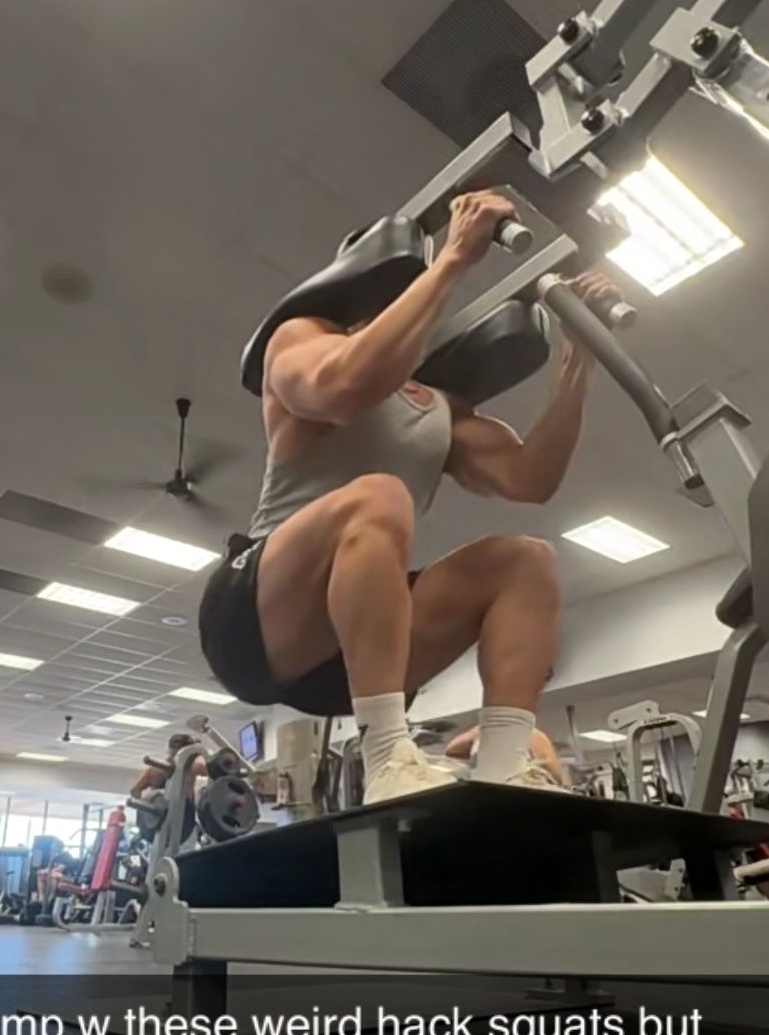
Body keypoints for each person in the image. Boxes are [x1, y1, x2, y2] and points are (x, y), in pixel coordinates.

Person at [200, 189, 616, 806]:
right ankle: (388, 759)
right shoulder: (301, 337)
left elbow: (532, 479)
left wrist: (580, 358)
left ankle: (506, 764)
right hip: (257, 620)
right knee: (379, 496)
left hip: (355, 650)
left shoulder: (442, 407)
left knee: (527, 560)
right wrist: (454, 258)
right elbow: (341, 389)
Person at [445, 724, 569, 786]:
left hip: (490, 786)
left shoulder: (481, 731)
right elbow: (553, 771)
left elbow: (451, 750)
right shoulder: (534, 735)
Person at [130, 733, 208, 802]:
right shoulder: (154, 771)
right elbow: (135, 791)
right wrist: (149, 799)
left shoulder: (194, 767)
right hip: (162, 809)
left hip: (184, 808)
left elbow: (213, 770)